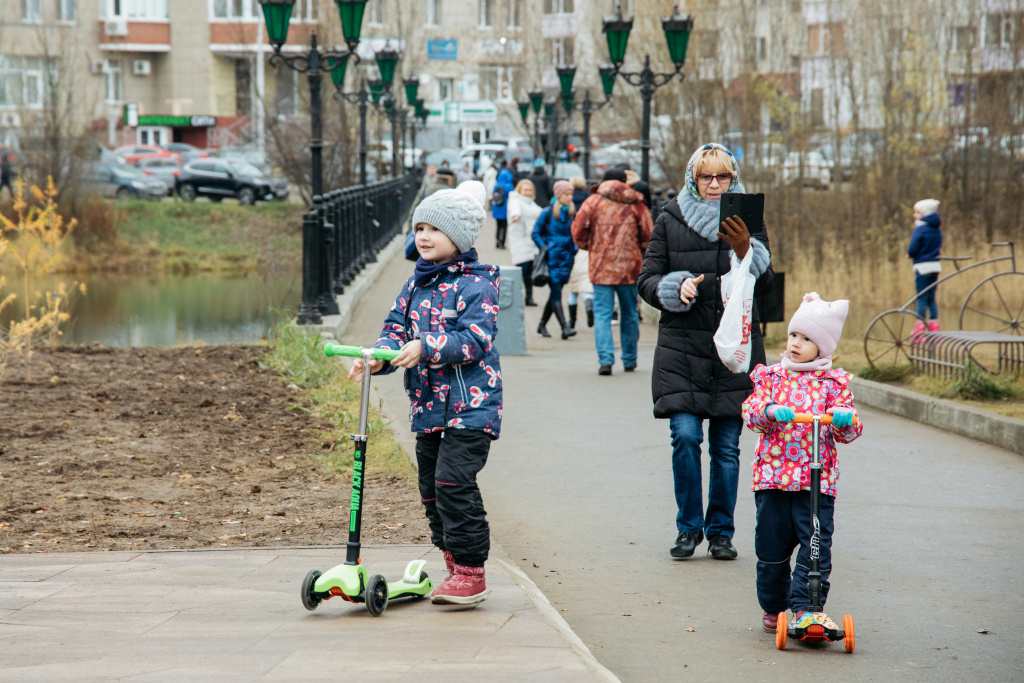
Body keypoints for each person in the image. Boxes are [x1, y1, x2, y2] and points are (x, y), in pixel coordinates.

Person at [349, 188, 501, 606]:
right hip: (429, 406)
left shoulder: (476, 285)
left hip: (471, 406)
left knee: (453, 482)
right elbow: (395, 329)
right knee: (430, 488)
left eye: (435, 229)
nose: (424, 236)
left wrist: (427, 346)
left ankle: (471, 571)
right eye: (419, 228)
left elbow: (476, 339)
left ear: (460, 237)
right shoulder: (415, 283)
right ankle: (451, 560)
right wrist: (377, 359)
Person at [636, 142, 774, 561]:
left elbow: (767, 286)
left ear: (733, 178)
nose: (714, 184)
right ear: (692, 179)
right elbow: (647, 279)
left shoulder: (748, 218)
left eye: (722, 176)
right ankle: (688, 528)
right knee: (685, 437)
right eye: (705, 176)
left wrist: (746, 250)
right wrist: (674, 286)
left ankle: (720, 533)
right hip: (682, 348)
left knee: (727, 448)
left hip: (734, 350)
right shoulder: (670, 218)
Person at [741, 292, 863, 634]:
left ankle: (807, 608)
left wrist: (843, 418)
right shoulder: (771, 378)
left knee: (816, 549)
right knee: (771, 548)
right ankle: (773, 605)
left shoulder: (833, 384)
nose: (795, 343)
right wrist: (768, 410)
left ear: (822, 348)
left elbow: (851, 429)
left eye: (806, 339)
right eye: (793, 335)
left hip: (816, 484)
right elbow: (751, 412)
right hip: (773, 478)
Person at [572, 168, 653, 375]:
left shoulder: (592, 202)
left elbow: (578, 231)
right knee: (629, 313)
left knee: (602, 314)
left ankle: (606, 360)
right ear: (625, 182)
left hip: (601, 267)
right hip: (629, 268)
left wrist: (590, 246)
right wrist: (637, 248)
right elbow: (648, 235)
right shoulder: (636, 203)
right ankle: (629, 359)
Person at [532, 179, 578, 339]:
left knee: (555, 293)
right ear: (558, 195)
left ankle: (542, 325)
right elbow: (535, 233)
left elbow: (576, 233)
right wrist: (544, 247)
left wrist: (575, 247)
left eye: (571, 194)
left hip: (567, 258)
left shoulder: (572, 212)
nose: (570, 197)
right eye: (566, 194)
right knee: (556, 292)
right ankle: (565, 327)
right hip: (552, 258)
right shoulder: (548, 212)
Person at [907, 198, 942, 335]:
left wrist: (909, 254)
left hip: (922, 267)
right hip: (935, 266)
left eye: (917, 213)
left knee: (921, 298)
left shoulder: (920, 228)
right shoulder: (936, 228)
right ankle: (934, 328)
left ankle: (920, 329)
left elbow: (913, 248)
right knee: (931, 297)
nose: (914, 215)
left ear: (924, 214)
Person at [507, 178, 541, 306]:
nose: (528, 192)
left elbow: (541, 213)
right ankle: (517, 298)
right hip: (520, 242)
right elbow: (515, 209)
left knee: (529, 273)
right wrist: (515, 215)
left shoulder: (531, 204)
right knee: (522, 271)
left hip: (531, 243)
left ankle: (529, 297)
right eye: (525, 190)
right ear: (520, 190)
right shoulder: (515, 200)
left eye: (530, 190)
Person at [565, 176, 594, 328]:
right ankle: (589, 303)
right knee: (586, 282)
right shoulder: (589, 201)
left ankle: (572, 321)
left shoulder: (566, 203)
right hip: (586, 248)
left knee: (573, 286)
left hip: (571, 248)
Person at [491, 163, 515, 249]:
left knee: (498, 226)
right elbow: (512, 197)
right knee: (504, 227)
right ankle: (502, 243)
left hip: (497, 208)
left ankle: (497, 240)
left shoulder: (496, 185)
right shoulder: (509, 186)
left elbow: (493, 195)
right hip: (505, 208)